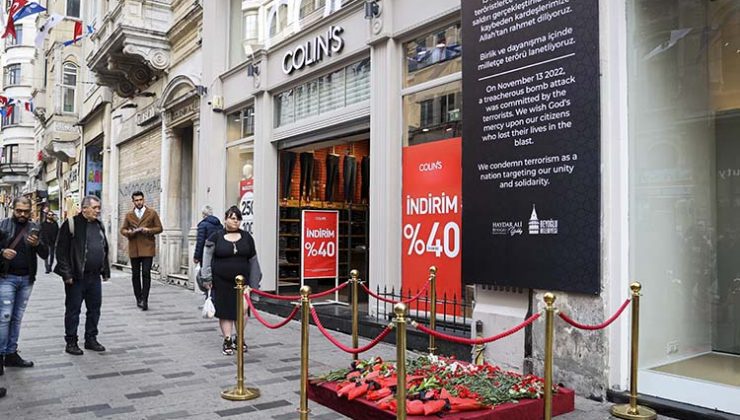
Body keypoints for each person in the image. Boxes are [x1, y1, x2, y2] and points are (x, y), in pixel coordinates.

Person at [201, 206, 261, 355]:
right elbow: (206, 258)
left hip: (243, 283)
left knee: (243, 310)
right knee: (226, 311)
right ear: (226, 219)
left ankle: (239, 338)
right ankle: (227, 339)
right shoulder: (216, 236)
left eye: (238, 218)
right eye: (232, 217)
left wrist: (254, 284)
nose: (235, 220)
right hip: (221, 281)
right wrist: (206, 277)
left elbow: (253, 261)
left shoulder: (247, 237)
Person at [55, 195, 110, 355]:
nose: (98, 211)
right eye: (95, 208)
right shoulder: (71, 224)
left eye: (99, 208)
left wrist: (105, 271)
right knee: (73, 310)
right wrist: (67, 274)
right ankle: (71, 341)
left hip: (94, 277)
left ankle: (91, 339)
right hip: (76, 277)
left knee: (94, 309)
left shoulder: (99, 225)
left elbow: (104, 248)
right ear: (84, 208)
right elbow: (61, 251)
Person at [0, 197, 49, 370]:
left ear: (31, 211)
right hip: (6, 278)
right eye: (19, 210)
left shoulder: (35, 227)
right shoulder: (3, 225)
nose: (22, 214)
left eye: (26, 211)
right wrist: (2, 252)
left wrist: (37, 245)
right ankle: (0, 356)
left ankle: (11, 353)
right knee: (4, 318)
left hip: (27, 279)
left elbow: (45, 254)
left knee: (17, 318)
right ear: (12, 209)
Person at [120, 191, 163, 311]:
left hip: (148, 247)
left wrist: (148, 230)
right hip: (134, 248)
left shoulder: (152, 213)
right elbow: (122, 229)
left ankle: (145, 299)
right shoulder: (129, 215)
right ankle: (138, 298)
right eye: (136, 200)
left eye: (140, 200)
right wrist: (128, 232)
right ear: (133, 201)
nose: (139, 202)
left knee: (146, 273)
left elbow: (160, 228)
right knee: (135, 275)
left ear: (144, 200)